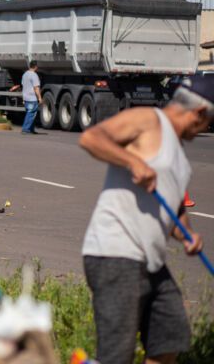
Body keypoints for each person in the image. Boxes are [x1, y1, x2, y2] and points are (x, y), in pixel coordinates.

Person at [78, 76, 213, 364]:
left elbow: (174, 207)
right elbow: (91, 138)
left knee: (169, 336)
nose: (206, 128)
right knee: (117, 355)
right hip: (115, 253)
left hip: (151, 261)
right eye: (209, 122)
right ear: (200, 112)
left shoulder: (179, 155)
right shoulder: (148, 120)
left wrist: (187, 234)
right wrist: (133, 161)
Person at [18, 60, 42, 134]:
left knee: (31, 113)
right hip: (32, 98)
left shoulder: (25, 74)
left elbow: (23, 86)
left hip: (26, 97)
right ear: (36, 67)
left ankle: (31, 129)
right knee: (31, 114)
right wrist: (40, 98)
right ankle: (25, 129)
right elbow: (36, 88)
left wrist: (23, 98)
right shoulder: (34, 75)